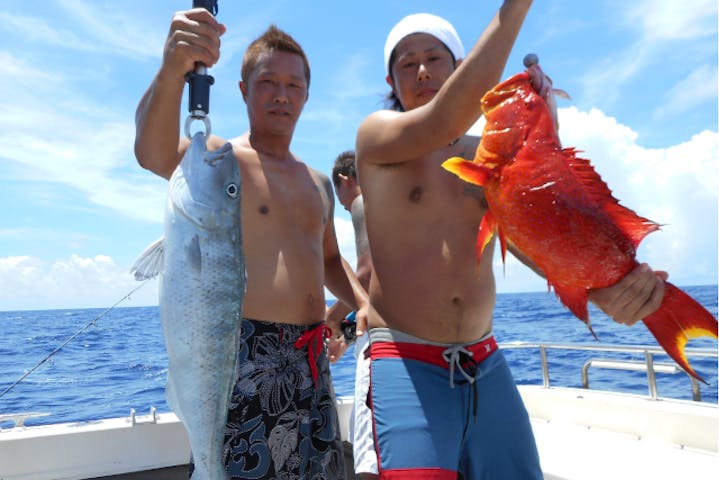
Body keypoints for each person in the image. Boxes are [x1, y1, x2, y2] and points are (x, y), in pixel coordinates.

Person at [355, 4, 667, 479]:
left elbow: (528, 234)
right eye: (406, 62)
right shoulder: (376, 138)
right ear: (391, 83)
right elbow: (442, 120)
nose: (421, 70)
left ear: (458, 69)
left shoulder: (485, 156)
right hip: (404, 358)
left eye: (435, 58)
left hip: (484, 361)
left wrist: (598, 288)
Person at [134, 9, 369, 479]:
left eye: (294, 85)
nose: (282, 95)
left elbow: (326, 258)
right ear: (243, 90)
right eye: (267, 82)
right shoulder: (220, 163)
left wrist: (362, 304)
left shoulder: (319, 183)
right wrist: (173, 67)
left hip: (311, 358)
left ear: (306, 95)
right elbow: (152, 149)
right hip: (241, 356)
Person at [327, 150, 381, 479]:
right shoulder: (397, 204)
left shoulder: (362, 202)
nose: (345, 207)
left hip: (382, 348)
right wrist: (347, 338)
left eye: (341, 200)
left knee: (368, 456)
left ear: (346, 181)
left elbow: (366, 277)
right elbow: (377, 299)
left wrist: (332, 317)